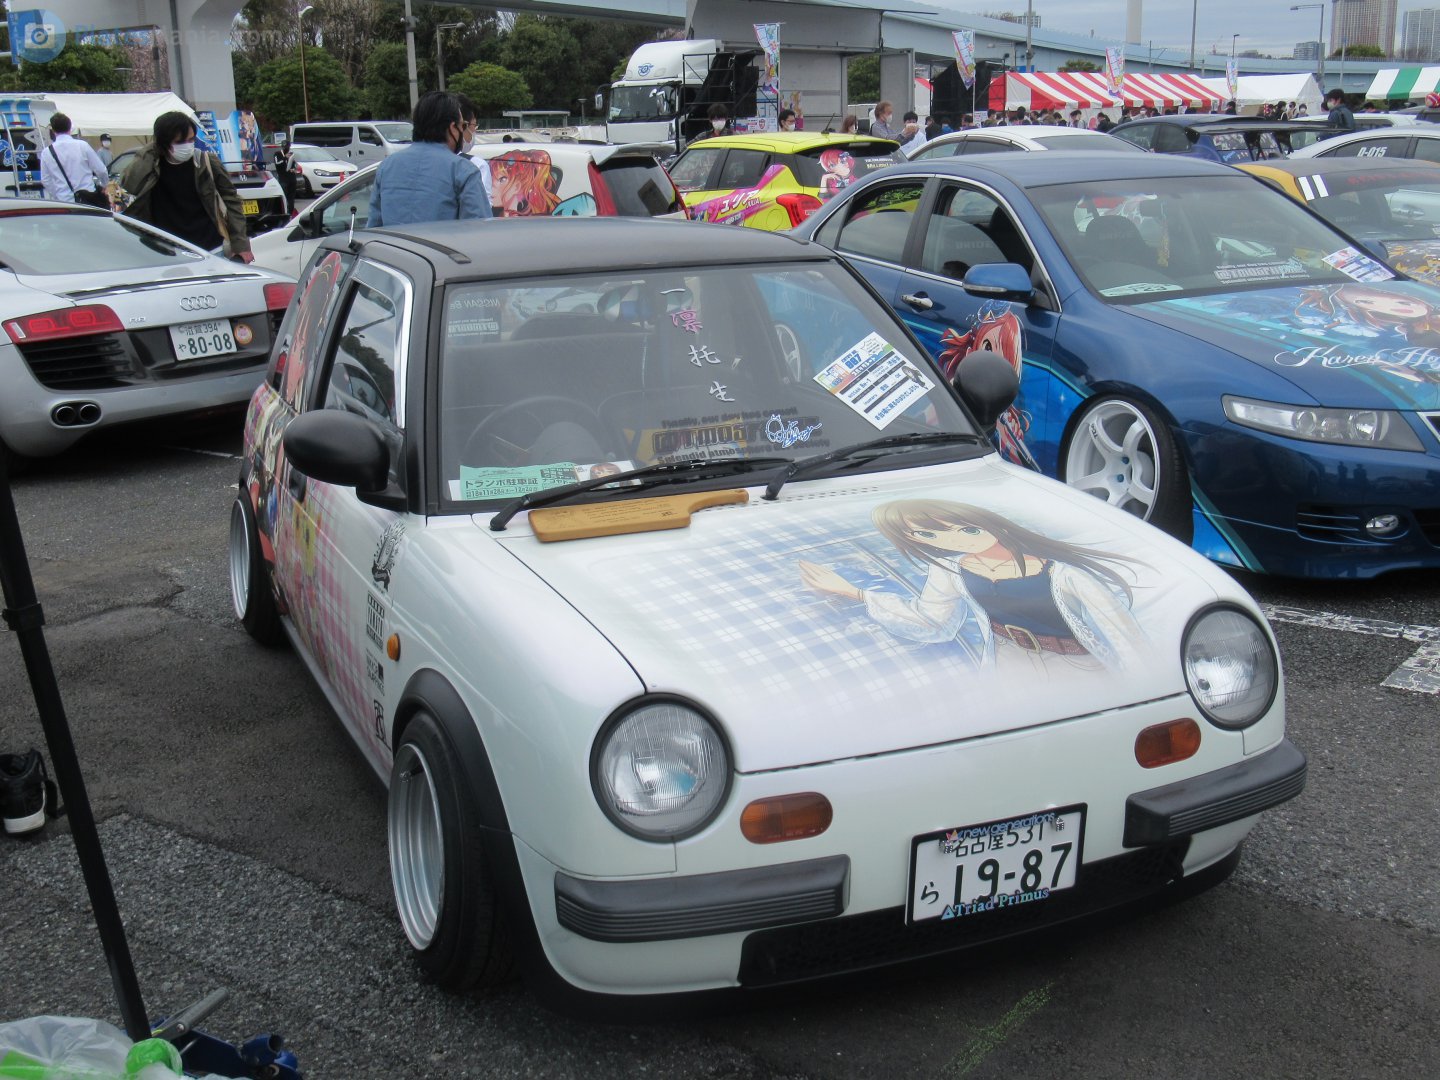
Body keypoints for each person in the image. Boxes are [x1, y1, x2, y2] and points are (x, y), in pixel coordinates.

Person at [797, 500, 1148, 670]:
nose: (956, 541)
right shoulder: (951, 569)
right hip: (1009, 666)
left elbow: (1125, 637)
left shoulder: (1064, 573)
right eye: (926, 534)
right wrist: (854, 592)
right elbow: (933, 622)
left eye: (965, 529)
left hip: (1077, 667)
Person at [120, 111, 252, 261]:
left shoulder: (205, 161)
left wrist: (241, 245)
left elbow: (232, 200)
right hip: (166, 251)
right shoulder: (152, 165)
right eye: (179, 142)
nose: (187, 146)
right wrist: (151, 149)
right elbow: (130, 184)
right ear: (163, 143)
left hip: (211, 249)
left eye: (191, 140)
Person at [368, 91, 491, 228]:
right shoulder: (463, 170)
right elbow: (479, 231)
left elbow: (374, 228)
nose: (463, 132)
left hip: (393, 249)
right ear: (452, 128)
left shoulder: (386, 167)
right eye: (462, 126)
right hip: (443, 249)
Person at [40, 113, 109, 207]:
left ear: (53, 130)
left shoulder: (46, 152)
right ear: (70, 128)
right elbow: (101, 170)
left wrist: (57, 195)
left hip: (64, 202)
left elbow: (46, 180)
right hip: (88, 199)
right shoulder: (82, 146)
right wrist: (105, 185)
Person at [456, 94, 493, 207]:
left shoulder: (404, 162)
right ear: (463, 125)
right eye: (474, 125)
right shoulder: (475, 166)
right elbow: (482, 211)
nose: (474, 131)